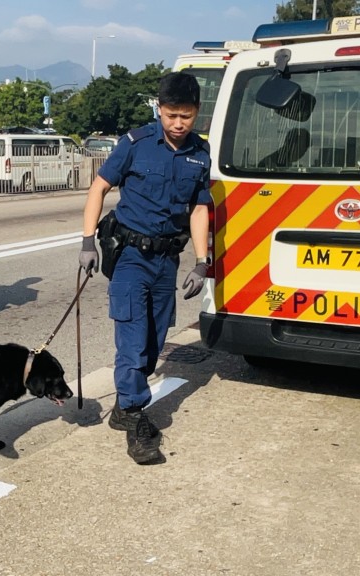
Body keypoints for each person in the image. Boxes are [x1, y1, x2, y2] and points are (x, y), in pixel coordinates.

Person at [79, 72, 211, 464]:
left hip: (166, 261)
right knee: (133, 342)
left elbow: (199, 209)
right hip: (131, 257)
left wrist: (202, 262)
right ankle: (136, 418)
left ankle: (123, 407)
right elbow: (99, 188)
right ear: (159, 108)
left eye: (185, 116)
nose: (178, 124)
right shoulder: (135, 144)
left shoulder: (200, 154)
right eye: (171, 115)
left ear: (196, 113)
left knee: (153, 343)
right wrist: (87, 242)